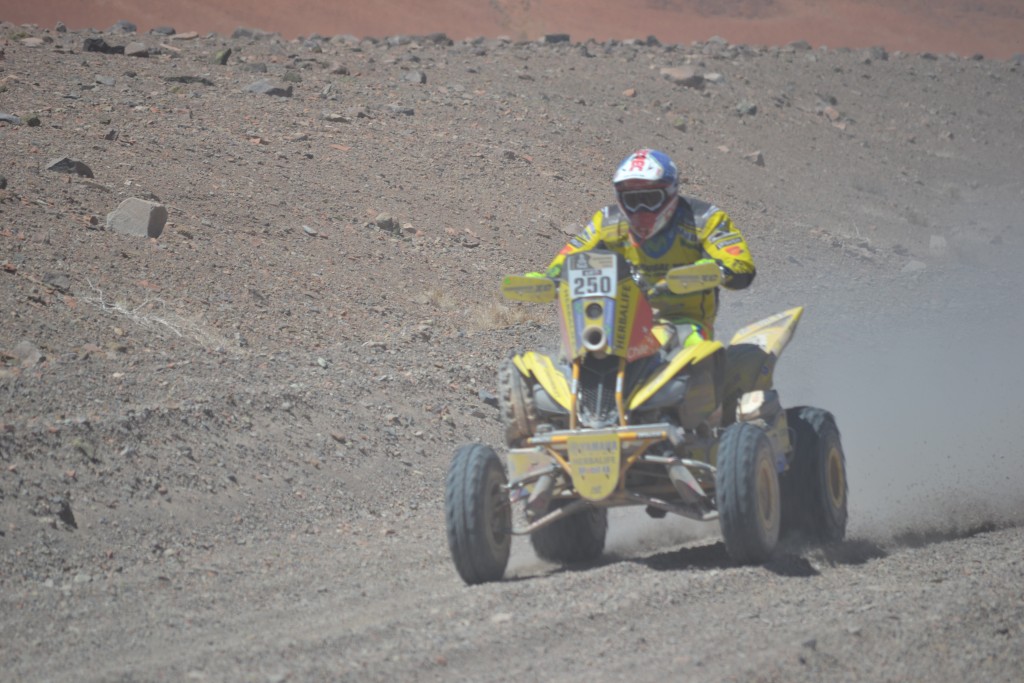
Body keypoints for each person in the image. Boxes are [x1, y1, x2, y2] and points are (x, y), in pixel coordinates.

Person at [532, 148, 755, 348]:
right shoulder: (608, 221)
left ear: (671, 193)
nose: (640, 209)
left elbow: (741, 265)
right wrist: (551, 278)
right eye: (632, 199)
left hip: (683, 320)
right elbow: (572, 255)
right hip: (618, 321)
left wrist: (717, 271)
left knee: (696, 350)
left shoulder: (704, 219)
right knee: (570, 354)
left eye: (649, 198)